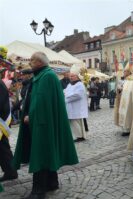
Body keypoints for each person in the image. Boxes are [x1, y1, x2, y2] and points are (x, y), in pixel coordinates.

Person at [13, 52, 78, 199]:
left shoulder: (47, 76)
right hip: (43, 122)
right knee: (46, 151)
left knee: (41, 153)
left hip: (43, 122)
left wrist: (32, 115)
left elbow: (42, 101)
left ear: (40, 62)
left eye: (32, 60)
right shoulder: (43, 75)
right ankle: (52, 182)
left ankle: (39, 190)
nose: (30, 63)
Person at [0, 77, 18, 182]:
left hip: (1, 122)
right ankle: (10, 171)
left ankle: (11, 172)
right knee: (2, 149)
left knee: (3, 148)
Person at [64, 64, 89, 142]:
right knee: (73, 122)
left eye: (72, 76)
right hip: (71, 107)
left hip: (77, 107)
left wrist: (66, 98)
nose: (71, 78)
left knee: (77, 122)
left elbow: (77, 95)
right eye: (70, 76)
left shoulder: (80, 85)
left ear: (77, 77)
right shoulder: (69, 84)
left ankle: (80, 136)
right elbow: (64, 92)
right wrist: (65, 95)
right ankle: (78, 135)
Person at [117, 63, 133, 136]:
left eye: (125, 71)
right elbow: (125, 90)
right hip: (124, 101)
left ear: (129, 72)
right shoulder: (127, 80)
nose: (124, 73)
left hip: (129, 101)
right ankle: (124, 128)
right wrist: (121, 90)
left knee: (128, 114)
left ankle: (128, 129)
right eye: (124, 71)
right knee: (123, 113)